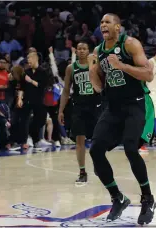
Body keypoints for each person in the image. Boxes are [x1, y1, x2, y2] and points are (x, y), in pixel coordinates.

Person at [89, 13, 156, 225]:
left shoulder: (130, 44)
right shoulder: (98, 50)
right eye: (101, 23)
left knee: (130, 147)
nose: (103, 25)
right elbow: (99, 79)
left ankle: (148, 198)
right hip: (114, 106)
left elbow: (149, 75)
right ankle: (117, 197)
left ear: (118, 27)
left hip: (136, 103)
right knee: (96, 149)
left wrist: (122, 66)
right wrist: (95, 78)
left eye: (107, 22)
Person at [58, 40, 101, 186]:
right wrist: (61, 110)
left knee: (98, 141)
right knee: (79, 140)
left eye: (85, 49)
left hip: (95, 106)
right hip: (78, 107)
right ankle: (82, 172)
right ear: (76, 51)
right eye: (79, 49)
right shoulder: (71, 68)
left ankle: (99, 166)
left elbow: (102, 86)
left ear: (89, 51)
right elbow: (65, 91)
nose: (82, 51)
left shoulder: (95, 65)